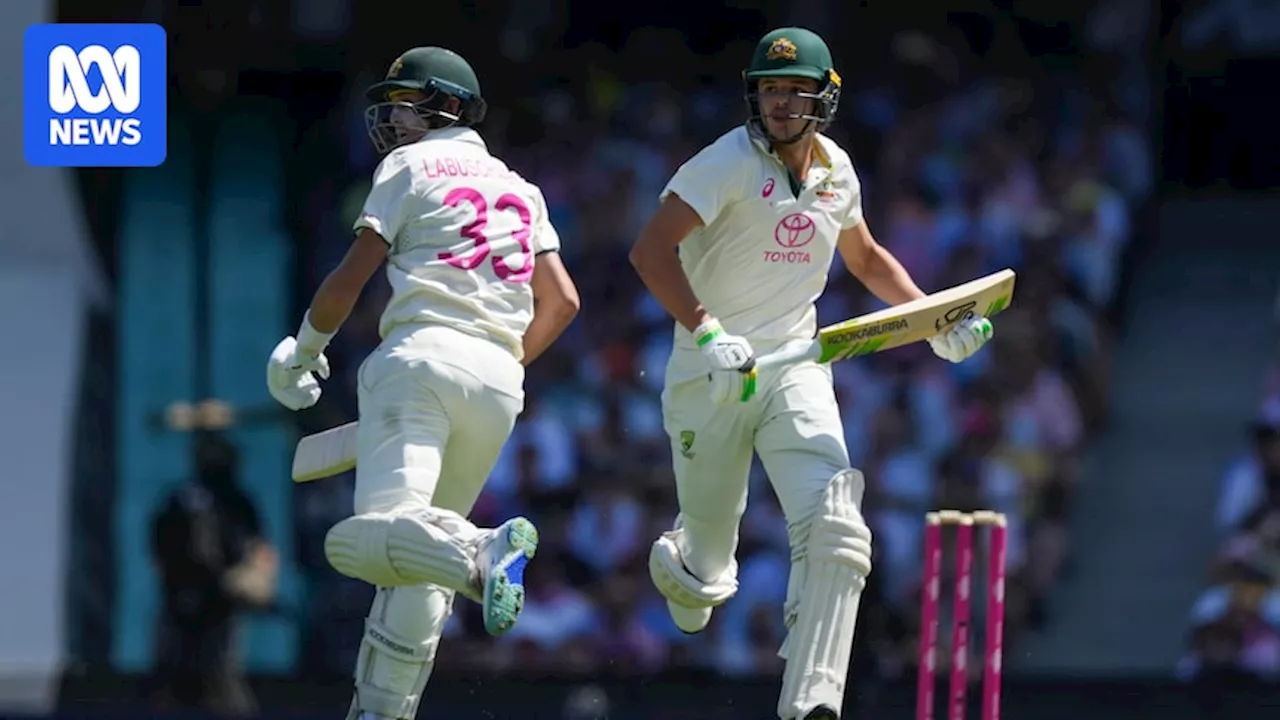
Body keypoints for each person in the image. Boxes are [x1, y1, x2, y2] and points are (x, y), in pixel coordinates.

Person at [628, 28, 993, 720]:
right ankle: (688, 566)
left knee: (836, 521)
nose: (783, 103)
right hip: (712, 373)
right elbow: (649, 253)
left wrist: (933, 319)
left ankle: (813, 700)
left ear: (825, 98)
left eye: (797, 91)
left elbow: (866, 257)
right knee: (707, 572)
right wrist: (707, 331)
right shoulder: (724, 162)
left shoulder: (838, 170)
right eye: (771, 89)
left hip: (797, 364)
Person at [264, 46, 580, 720]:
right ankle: (383, 711)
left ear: (453, 108)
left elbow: (349, 279)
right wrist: (495, 363)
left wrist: (301, 354)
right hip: (499, 385)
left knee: (362, 544)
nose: (394, 116)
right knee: (421, 566)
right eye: (392, 102)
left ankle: (481, 545)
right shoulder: (521, 188)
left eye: (409, 102)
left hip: (418, 360)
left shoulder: (406, 166)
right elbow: (563, 303)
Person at [150, 432, 278, 717]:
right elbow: (163, 555)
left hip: (221, 614)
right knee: (174, 685)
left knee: (220, 681)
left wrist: (249, 584)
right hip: (181, 611)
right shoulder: (181, 500)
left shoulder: (239, 503)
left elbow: (260, 555)